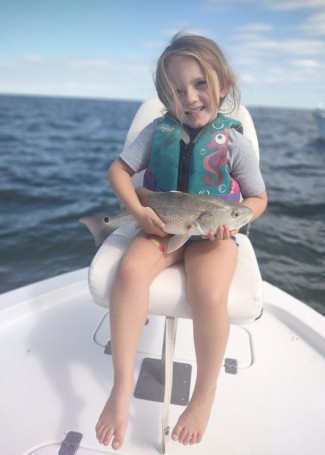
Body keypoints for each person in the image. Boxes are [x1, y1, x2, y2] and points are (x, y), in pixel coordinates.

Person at [95, 32, 267, 450]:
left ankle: (204, 394)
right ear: (164, 96)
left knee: (208, 292)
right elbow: (118, 171)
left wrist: (234, 224)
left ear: (222, 85)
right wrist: (138, 213)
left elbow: (256, 199)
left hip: (211, 234)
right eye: (176, 89)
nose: (189, 98)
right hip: (162, 225)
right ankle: (121, 388)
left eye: (200, 84)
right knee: (131, 270)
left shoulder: (235, 142)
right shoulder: (157, 132)